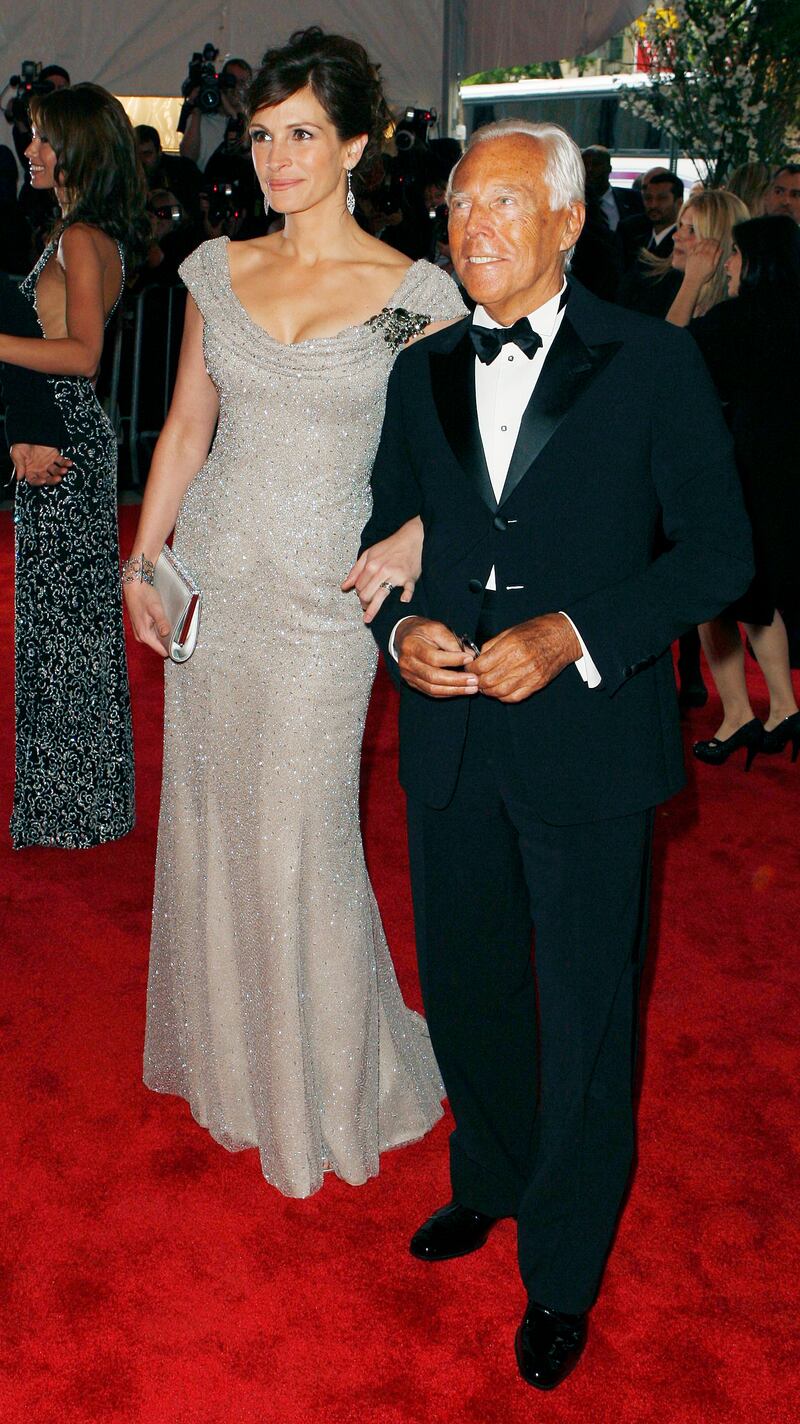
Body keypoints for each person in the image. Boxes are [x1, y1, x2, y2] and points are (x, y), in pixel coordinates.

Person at [359, 119, 752, 1390]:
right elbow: (389, 535)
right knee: (468, 985)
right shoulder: (416, 371)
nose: (471, 228)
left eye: (503, 206)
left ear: (570, 222)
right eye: (460, 207)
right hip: (451, 734)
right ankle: (490, 1175)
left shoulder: (651, 362)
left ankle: (566, 1267)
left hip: (588, 741)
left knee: (584, 1012)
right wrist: (399, 628)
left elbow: (715, 555)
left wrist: (581, 632)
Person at [122, 27, 465, 1198]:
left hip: (325, 604)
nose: (275, 157)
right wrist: (144, 556)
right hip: (215, 579)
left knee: (305, 836)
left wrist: (416, 534)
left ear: (357, 142)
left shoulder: (414, 298)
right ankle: (234, 1062)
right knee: (217, 819)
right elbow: (183, 427)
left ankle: (324, 1086)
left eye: (301, 134)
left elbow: (457, 463)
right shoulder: (217, 267)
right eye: (262, 135)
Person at [0, 83, 148, 848]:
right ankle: (80, 803)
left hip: (67, 441)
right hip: (63, 436)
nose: (29, 150)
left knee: (65, 630)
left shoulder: (82, 240)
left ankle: (73, 807)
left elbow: (82, 356)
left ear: (74, 149)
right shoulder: (80, 235)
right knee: (69, 627)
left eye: (40, 138)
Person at [666, 215, 800, 765]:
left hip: (742, 466)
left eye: (738, 255)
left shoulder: (739, 318)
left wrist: (692, 282)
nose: (730, 263)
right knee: (753, 591)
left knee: (713, 584)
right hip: (783, 471)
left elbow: (666, 360)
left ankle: (740, 713)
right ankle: (783, 707)